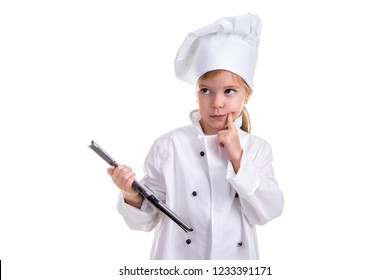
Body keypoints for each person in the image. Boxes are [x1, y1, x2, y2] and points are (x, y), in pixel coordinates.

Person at [107, 13, 284, 260]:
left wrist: (238, 158)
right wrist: (130, 194)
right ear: (196, 93)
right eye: (206, 91)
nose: (217, 103)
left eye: (229, 91)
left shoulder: (257, 149)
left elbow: (268, 212)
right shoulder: (169, 146)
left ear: (247, 95)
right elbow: (146, 220)